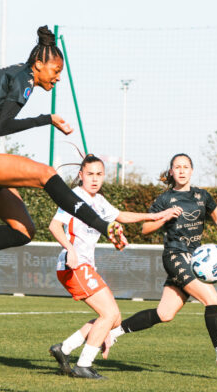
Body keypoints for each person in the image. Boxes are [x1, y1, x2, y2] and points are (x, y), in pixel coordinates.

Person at [0, 26, 126, 292]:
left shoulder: (14, 72)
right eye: (55, 72)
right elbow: (3, 126)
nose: (57, 79)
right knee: (45, 173)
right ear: (39, 64)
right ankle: (104, 225)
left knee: (23, 231)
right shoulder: (25, 81)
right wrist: (48, 119)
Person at [105, 154, 217, 370]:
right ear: (171, 172)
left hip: (193, 259)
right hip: (175, 256)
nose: (182, 171)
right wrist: (164, 216)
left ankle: (111, 334)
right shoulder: (164, 200)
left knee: (165, 314)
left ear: (192, 170)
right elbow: (145, 229)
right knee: (212, 299)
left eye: (186, 167)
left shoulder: (202, 196)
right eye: (177, 167)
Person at [47, 155, 179, 379]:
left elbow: (121, 216)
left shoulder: (99, 200)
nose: (95, 179)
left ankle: (65, 348)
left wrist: (156, 215)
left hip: (85, 266)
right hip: (73, 265)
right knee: (109, 314)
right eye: (90, 174)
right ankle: (83, 365)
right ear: (81, 176)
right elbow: (54, 225)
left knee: (113, 319)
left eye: (99, 174)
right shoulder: (74, 197)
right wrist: (70, 249)